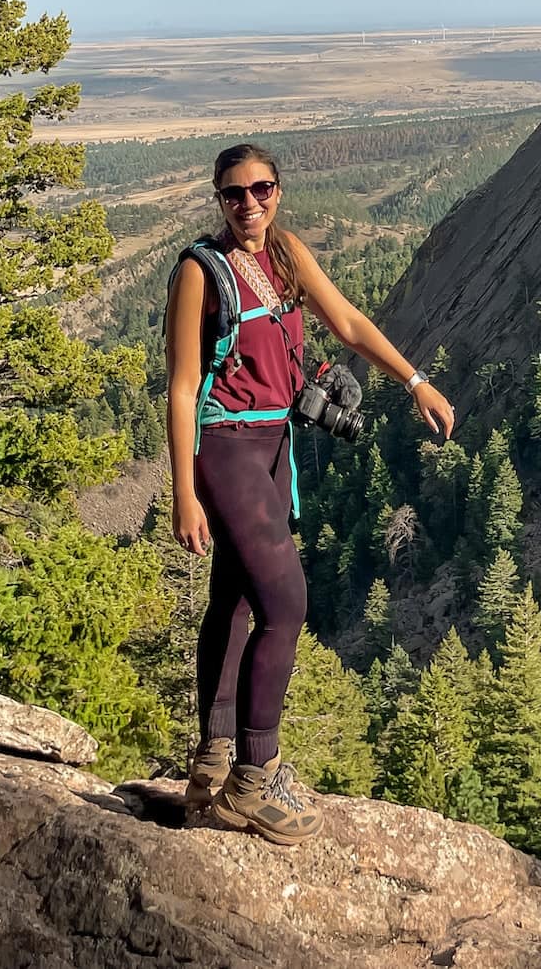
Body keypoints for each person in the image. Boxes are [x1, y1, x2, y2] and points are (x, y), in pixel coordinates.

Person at [165, 141, 456, 845]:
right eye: (234, 193)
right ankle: (253, 779)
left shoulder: (286, 254)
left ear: (278, 190)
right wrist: (183, 491)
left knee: (237, 599)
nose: (249, 204)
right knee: (286, 601)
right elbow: (179, 385)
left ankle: (212, 754)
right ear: (218, 198)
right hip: (227, 447)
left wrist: (414, 382)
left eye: (261, 189)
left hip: (272, 449)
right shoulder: (201, 273)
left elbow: (349, 322)